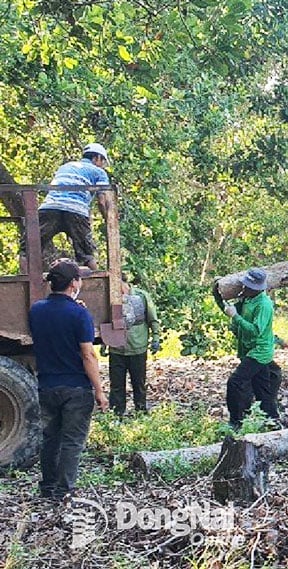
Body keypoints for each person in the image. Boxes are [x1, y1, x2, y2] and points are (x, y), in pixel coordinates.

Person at [28, 259, 109, 499]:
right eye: (79, 278)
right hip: (76, 387)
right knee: (72, 441)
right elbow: (87, 354)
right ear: (74, 283)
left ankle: (48, 488)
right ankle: (64, 492)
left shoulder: (35, 310)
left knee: (50, 439)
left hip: (46, 385)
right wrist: (99, 390)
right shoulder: (79, 314)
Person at [216, 268, 280, 429]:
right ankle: (271, 421)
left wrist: (235, 317)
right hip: (249, 350)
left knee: (235, 382)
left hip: (259, 351)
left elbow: (255, 331)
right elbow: (226, 308)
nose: (245, 288)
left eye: (248, 286)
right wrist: (216, 292)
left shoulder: (264, 305)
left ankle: (236, 422)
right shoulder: (247, 300)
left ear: (257, 288)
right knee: (262, 389)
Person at [39, 143, 112, 270]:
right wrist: (108, 220)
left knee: (29, 248)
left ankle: (25, 279)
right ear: (97, 158)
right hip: (76, 210)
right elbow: (102, 201)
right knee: (86, 254)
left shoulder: (65, 166)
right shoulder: (99, 172)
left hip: (50, 207)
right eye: (103, 161)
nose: (102, 165)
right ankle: (97, 281)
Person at [102, 277, 161, 415]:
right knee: (116, 385)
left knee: (138, 382)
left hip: (137, 345)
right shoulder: (111, 298)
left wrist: (156, 337)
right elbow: (106, 321)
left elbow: (152, 318)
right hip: (116, 347)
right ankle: (117, 414)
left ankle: (140, 410)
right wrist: (105, 343)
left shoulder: (141, 296)